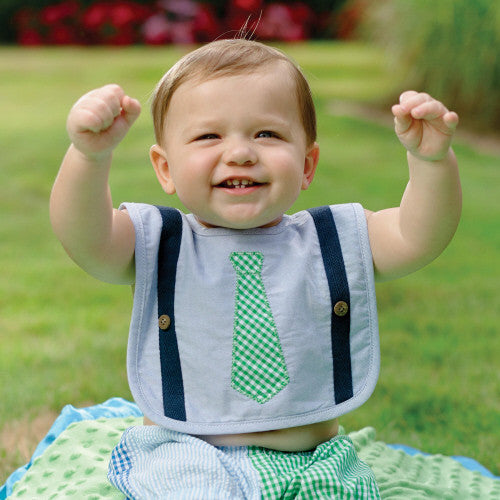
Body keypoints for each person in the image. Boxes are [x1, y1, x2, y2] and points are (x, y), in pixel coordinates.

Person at [50, 38, 461, 499]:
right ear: (165, 169)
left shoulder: (330, 240)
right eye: (210, 136)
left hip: (311, 458)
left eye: (267, 134)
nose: (241, 152)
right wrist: (88, 158)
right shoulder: (160, 241)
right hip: (183, 448)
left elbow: (416, 237)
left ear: (307, 166)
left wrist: (431, 163)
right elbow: (86, 238)